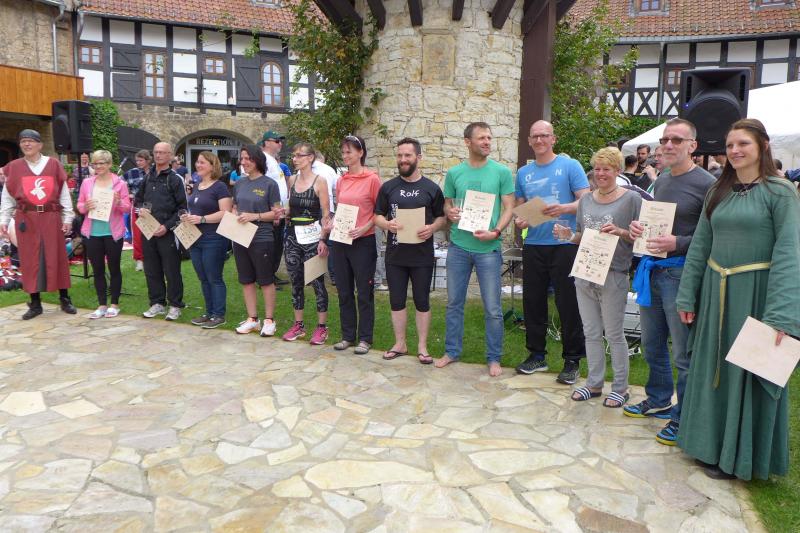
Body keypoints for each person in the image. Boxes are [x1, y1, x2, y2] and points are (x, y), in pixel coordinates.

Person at [675, 119, 800, 480]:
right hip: (715, 293)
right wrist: (688, 295)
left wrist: (780, 314)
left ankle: (736, 456)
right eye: (730, 145)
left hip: (755, 296)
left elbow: (789, 252)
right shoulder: (718, 191)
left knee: (745, 373)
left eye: (743, 143)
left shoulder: (781, 193)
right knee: (712, 369)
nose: (734, 151)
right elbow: (700, 245)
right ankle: (706, 445)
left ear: (763, 146)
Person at [625, 118, 716, 446]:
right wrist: (638, 228)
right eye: (665, 139)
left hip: (681, 275)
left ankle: (684, 416)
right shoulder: (662, 179)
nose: (668, 145)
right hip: (653, 270)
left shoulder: (708, 184)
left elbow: (713, 235)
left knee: (683, 352)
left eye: (677, 140)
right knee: (651, 344)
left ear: (693, 146)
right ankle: (659, 398)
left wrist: (678, 243)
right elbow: (657, 223)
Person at [556, 147, 641, 407]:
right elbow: (582, 235)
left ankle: (621, 388)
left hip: (614, 272)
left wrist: (620, 231)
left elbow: (641, 237)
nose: (601, 173)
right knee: (591, 331)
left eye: (607, 169)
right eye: (597, 169)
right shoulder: (585, 200)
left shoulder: (631, 199)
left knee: (614, 333)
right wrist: (568, 236)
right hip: (585, 271)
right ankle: (593, 384)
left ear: (617, 170)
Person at [437, 122, 515, 377]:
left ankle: (494, 358)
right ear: (467, 142)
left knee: (492, 308)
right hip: (459, 247)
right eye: (481, 138)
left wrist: (496, 232)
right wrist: (450, 212)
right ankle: (451, 351)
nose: (487, 142)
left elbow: (509, 208)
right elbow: (447, 205)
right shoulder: (454, 173)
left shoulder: (501, 172)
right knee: (454, 303)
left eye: (489, 138)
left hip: (488, 248)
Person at [513, 120, 589, 384]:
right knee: (533, 302)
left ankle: (572, 360)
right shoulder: (523, 172)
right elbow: (521, 206)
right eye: (535, 136)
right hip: (535, 244)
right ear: (529, 141)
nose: (539, 140)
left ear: (553, 139)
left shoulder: (570, 165)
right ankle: (536, 355)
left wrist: (563, 208)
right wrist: (521, 220)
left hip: (564, 244)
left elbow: (586, 200)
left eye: (544, 135)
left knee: (568, 304)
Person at [374, 138, 446, 364]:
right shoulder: (388, 187)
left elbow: (442, 218)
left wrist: (432, 228)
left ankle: (422, 347)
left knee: (422, 300)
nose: (403, 159)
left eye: (407, 155)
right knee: (396, 300)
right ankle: (400, 344)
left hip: (422, 255)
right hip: (395, 255)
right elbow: (377, 216)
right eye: (399, 155)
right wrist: (387, 224)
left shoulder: (431, 188)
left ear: (418, 158)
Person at [0, 129, 77, 319]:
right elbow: (8, 198)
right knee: (29, 260)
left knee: (57, 256)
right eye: (23, 141)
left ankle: (64, 298)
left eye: (31, 141)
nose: (27, 144)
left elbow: (63, 194)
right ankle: (35, 304)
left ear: (40, 145)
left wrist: (68, 218)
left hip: (51, 216)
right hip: (26, 218)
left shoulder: (53, 164)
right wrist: (3, 221)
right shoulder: (14, 167)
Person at [328, 135, 382, 354]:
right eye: (343, 152)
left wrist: (364, 227)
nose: (345, 156)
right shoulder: (342, 180)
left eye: (349, 151)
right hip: (341, 241)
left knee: (364, 292)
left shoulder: (372, 179)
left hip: (363, 241)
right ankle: (348, 336)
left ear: (361, 153)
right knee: (344, 290)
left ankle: (365, 338)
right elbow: (341, 209)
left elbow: (379, 212)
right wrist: (332, 223)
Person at [281, 142, 331, 344]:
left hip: (313, 238)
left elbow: (326, 214)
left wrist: (323, 239)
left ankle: (322, 327)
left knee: (317, 282)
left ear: (310, 158)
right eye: (293, 156)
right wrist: (284, 212)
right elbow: (290, 207)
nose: (295, 159)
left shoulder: (320, 182)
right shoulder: (291, 180)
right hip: (292, 237)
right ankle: (298, 325)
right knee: (296, 281)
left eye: (299, 155)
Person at [231, 144, 282, 337]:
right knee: (246, 280)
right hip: (240, 237)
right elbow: (235, 207)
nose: (243, 162)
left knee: (266, 280)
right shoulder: (239, 184)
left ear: (257, 160)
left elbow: (276, 214)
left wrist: (255, 216)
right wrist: (234, 214)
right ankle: (252, 319)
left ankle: (269, 320)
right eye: (242, 159)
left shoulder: (270, 184)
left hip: (262, 238)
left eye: (247, 158)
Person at [135, 142, 188, 321]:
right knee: (151, 269)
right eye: (156, 152)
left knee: (171, 270)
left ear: (170, 155)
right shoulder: (147, 177)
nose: (158, 155)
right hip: (148, 230)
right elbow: (138, 200)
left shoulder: (175, 179)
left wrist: (166, 226)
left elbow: (182, 209)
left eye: (162, 152)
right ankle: (157, 303)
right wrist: (141, 209)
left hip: (168, 232)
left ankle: (175, 305)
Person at [75, 150, 130, 319]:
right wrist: (86, 206)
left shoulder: (120, 184)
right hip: (92, 233)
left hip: (113, 233)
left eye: (102, 163)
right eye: (95, 163)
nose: (98, 166)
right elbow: (80, 205)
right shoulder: (87, 183)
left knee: (114, 268)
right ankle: (101, 305)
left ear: (109, 164)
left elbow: (127, 208)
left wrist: (119, 202)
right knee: (97, 269)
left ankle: (114, 304)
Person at [182, 151, 232, 329]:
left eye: (202, 162)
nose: (198, 165)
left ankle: (219, 315)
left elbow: (225, 212)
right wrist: (188, 217)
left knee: (214, 277)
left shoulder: (220, 187)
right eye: (197, 162)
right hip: (195, 238)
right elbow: (196, 209)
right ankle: (209, 312)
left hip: (214, 238)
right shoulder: (197, 186)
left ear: (212, 166)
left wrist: (202, 219)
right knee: (203, 277)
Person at [259, 131, 289, 285]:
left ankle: (271, 274)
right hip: (273, 213)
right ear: (266, 142)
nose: (280, 144)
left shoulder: (272, 160)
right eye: (277, 141)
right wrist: (273, 211)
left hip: (279, 211)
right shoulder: (264, 159)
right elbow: (263, 187)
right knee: (271, 246)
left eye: (280, 141)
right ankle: (266, 277)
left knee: (277, 245)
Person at [312, 153, 339, 285]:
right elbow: (336, 189)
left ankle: (314, 274)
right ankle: (333, 275)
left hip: (311, 209)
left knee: (313, 240)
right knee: (330, 243)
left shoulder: (306, 169)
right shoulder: (329, 169)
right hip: (328, 209)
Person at [122, 149, 151, 271]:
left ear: (148, 160)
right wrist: (128, 195)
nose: (138, 163)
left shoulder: (155, 172)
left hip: (152, 205)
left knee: (151, 232)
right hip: (138, 205)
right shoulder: (131, 173)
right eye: (137, 160)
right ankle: (140, 260)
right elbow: (119, 185)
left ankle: (152, 259)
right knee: (138, 234)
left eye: (141, 160)